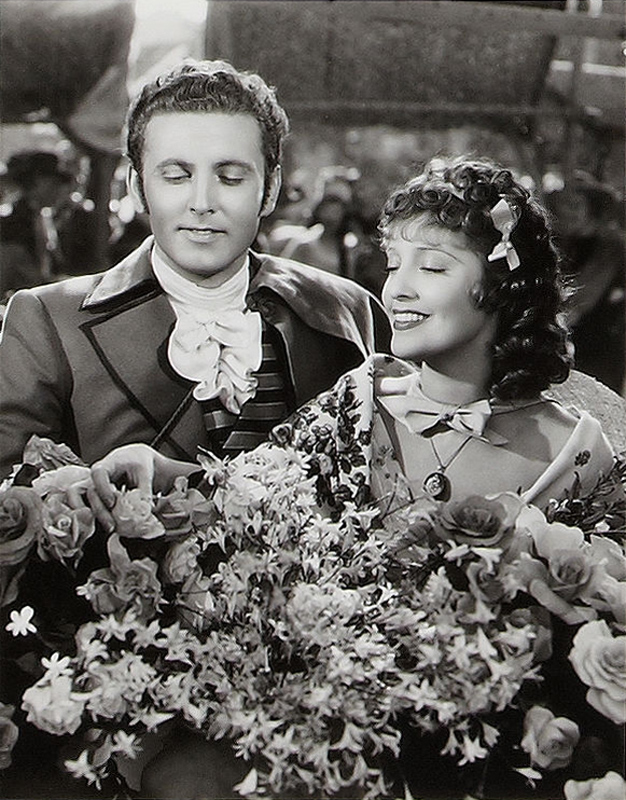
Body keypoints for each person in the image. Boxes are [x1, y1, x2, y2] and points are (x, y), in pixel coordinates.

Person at [85, 156, 621, 799]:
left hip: (467, 754)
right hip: (315, 722)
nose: (398, 290)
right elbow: (247, 492)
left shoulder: (576, 452)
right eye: (394, 265)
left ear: (503, 286)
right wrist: (156, 467)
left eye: (433, 267)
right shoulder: (360, 399)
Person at [0, 60, 389, 480]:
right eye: (175, 176)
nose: (202, 202)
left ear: (271, 189)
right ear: (137, 188)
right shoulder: (48, 321)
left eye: (231, 177)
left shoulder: (350, 312)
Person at [0, 150, 74, 298]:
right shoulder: (12, 225)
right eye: (53, 183)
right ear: (36, 183)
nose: (59, 190)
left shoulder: (43, 217)